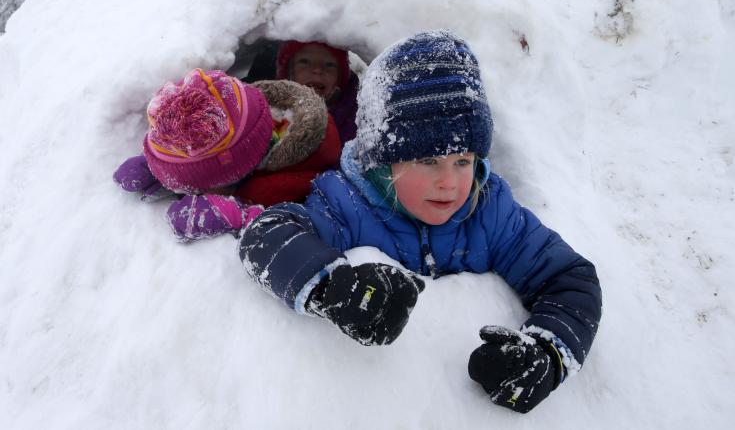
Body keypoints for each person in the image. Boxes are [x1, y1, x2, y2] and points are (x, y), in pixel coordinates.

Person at [238, 31, 602, 414]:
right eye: (428, 161)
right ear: (381, 160)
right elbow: (265, 235)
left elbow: (569, 278)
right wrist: (331, 289)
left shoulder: (490, 211)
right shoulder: (347, 204)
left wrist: (549, 354)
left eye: (463, 161)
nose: (450, 181)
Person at [113, 69, 341, 241]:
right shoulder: (242, 117)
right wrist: (164, 172)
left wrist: (239, 216)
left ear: (237, 173)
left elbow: (312, 231)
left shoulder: (304, 172)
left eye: (199, 187)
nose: (198, 194)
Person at [275, 41, 359, 143]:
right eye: (304, 61)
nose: (317, 69)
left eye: (329, 64)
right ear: (289, 73)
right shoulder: (272, 115)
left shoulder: (356, 119)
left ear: (339, 79)